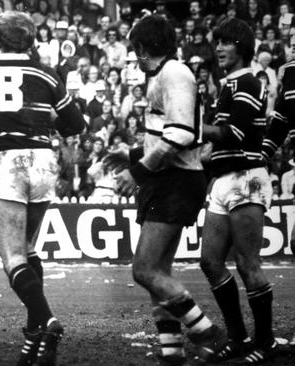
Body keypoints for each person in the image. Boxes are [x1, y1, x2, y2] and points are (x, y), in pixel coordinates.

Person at [0, 11, 85, 366]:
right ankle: (33, 339)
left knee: (12, 258)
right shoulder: (46, 74)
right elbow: (75, 125)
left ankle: (48, 320)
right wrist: (45, 117)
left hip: (4, 161)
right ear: (31, 40)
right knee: (28, 250)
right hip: (42, 160)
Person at [110, 15, 224, 365]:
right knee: (158, 273)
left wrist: (138, 171)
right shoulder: (166, 74)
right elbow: (170, 133)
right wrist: (131, 153)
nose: (134, 57)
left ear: (143, 48)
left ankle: (207, 331)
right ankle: (172, 352)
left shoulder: (174, 73)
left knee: (144, 271)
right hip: (170, 178)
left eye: (135, 50)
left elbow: (181, 135)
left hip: (174, 180)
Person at [199, 18, 277, 364]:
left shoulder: (248, 80)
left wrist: (192, 127)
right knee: (210, 261)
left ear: (241, 47)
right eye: (217, 42)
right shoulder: (228, 83)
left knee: (247, 264)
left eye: (226, 42)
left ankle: (265, 341)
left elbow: (237, 134)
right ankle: (238, 336)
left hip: (247, 177)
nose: (219, 48)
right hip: (224, 179)